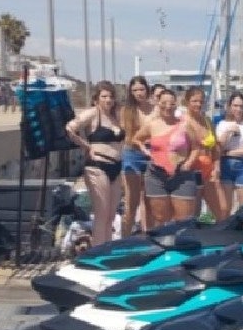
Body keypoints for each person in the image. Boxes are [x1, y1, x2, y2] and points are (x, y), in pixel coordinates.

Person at [66, 81, 124, 247]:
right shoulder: (92, 113)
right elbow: (70, 128)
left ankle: (108, 249)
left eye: (110, 96)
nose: (108, 100)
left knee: (111, 215)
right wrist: (86, 146)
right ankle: (98, 250)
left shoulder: (116, 116)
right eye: (104, 96)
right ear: (96, 99)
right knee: (102, 214)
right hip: (98, 166)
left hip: (116, 167)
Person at [134, 88, 199, 227]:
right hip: (156, 174)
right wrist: (144, 150)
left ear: (176, 105)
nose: (168, 106)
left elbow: (196, 148)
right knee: (160, 219)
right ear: (158, 103)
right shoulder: (152, 124)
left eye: (171, 103)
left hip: (182, 175)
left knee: (183, 221)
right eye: (164, 103)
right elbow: (136, 139)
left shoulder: (185, 124)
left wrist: (188, 163)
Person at [183, 86, 226, 220]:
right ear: (187, 101)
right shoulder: (182, 121)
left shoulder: (207, 121)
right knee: (192, 214)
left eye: (201, 101)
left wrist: (217, 167)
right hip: (192, 171)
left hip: (209, 170)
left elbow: (216, 147)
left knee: (222, 210)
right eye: (195, 101)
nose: (198, 104)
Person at [119, 77, 154, 236]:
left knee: (150, 200)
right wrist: (141, 143)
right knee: (131, 202)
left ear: (147, 90)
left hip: (152, 154)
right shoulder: (127, 111)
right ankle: (124, 239)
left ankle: (149, 238)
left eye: (141, 89)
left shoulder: (156, 109)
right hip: (133, 154)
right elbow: (127, 136)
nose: (139, 93)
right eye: (135, 90)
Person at [216, 92, 243, 213]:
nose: (238, 109)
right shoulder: (222, 125)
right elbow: (219, 148)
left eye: (241, 106)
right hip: (225, 166)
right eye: (235, 106)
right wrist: (228, 132)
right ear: (229, 106)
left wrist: (227, 153)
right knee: (225, 208)